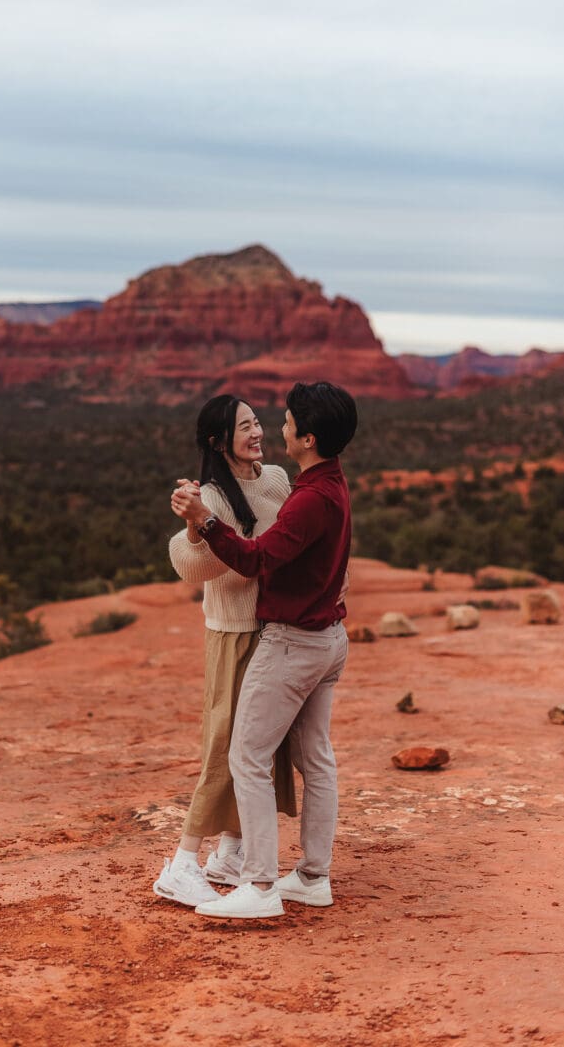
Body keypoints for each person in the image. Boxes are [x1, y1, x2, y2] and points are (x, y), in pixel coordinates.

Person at [171, 381, 357, 919]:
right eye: (251, 422)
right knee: (314, 758)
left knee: (245, 756)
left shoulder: (306, 499)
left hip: (293, 645)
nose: (277, 427)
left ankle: (258, 885)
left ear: (309, 436)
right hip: (330, 639)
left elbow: (254, 560)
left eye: (286, 421)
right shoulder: (330, 483)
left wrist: (202, 521)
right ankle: (312, 877)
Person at [153, 394, 297, 908]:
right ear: (219, 441)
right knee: (227, 743)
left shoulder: (277, 480)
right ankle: (183, 863)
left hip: (273, 628)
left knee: (263, 744)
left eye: (258, 421)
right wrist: (197, 525)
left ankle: (231, 852)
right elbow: (193, 568)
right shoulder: (209, 495)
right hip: (234, 632)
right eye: (244, 427)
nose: (257, 432)